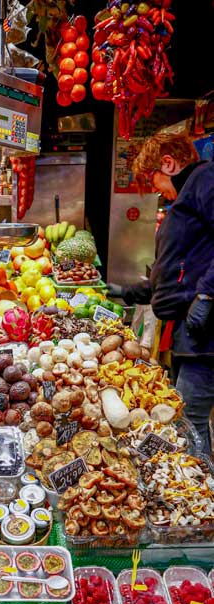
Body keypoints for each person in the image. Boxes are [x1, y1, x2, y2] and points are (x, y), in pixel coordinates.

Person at [108, 131, 214, 454]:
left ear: (168, 163)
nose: (154, 189)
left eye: (153, 179)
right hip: (190, 334)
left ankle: (201, 500)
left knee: (188, 421)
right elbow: (175, 272)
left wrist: (207, 295)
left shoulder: (205, 179)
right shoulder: (187, 196)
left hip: (205, 336)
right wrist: (128, 292)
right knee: (189, 420)